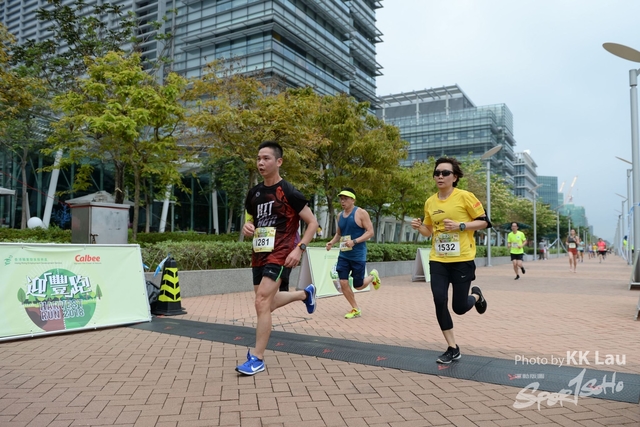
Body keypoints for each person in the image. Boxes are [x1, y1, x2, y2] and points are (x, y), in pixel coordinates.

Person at [236, 141, 319, 376]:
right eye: (258, 159)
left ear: (279, 161)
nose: (261, 163)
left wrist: (299, 249)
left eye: (266, 158)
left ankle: (257, 358)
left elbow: (313, 223)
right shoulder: (254, 193)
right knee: (265, 303)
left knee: (262, 301)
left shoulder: (289, 192)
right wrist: (247, 227)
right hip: (259, 252)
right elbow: (250, 219)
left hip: (282, 252)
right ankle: (305, 294)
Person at [410, 157, 490, 364]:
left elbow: (484, 222)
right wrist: (419, 227)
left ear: (454, 177)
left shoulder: (465, 197)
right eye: (437, 173)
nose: (440, 176)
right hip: (438, 259)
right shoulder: (430, 202)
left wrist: (460, 226)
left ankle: (476, 296)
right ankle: (452, 347)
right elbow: (428, 231)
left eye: (445, 173)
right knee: (439, 300)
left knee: (459, 308)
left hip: (462, 259)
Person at [326, 187, 381, 319]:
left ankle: (373, 276)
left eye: (345, 199)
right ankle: (355, 308)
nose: (342, 201)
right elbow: (339, 233)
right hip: (344, 255)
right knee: (343, 282)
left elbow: (370, 232)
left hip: (357, 255)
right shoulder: (339, 215)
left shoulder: (361, 213)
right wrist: (331, 242)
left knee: (358, 286)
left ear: (353, 200)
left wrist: (354, 241)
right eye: (341, 199)